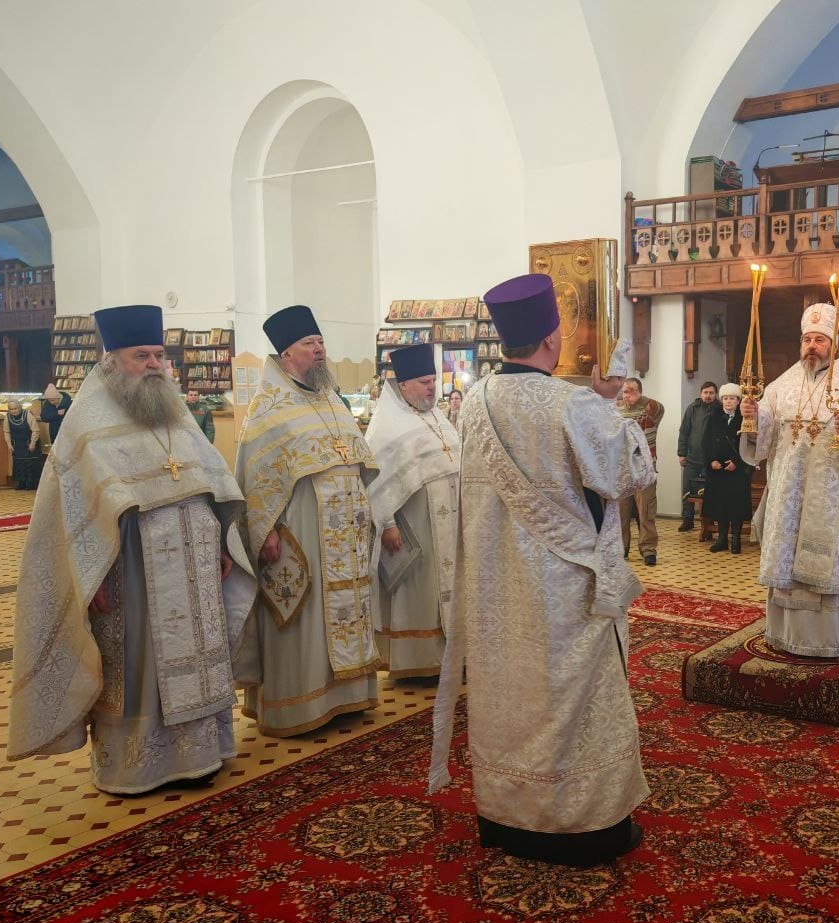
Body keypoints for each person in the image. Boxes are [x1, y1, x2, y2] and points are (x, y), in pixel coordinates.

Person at [429, 273, 654, 867]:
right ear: (553, 338)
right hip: (563, 588)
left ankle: (508, 818)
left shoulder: (474, 401)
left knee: (508, 695)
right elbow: (628, 474)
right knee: (570, 696)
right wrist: (614, 406)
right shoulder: (571, 403)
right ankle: (580, 824)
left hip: (495, 585)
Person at [8, 305, 258, 794]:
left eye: (158, 355)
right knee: (143, 665)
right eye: (141, 355)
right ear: (112, 360)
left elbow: (207, 482)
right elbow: (71, 512)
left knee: (200, 654)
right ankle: (139, 765)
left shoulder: (174, 411)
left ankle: (202, 752)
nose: (153, 365)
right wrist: (90, 575)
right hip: (132, 569)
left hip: (194, 561)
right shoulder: (87, 421)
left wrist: (219, 541)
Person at [235, 305, 379, 737]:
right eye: (308, 343)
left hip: (344, 533)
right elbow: (254, 476)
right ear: (286, 354)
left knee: (346, 611)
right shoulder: (267, 408)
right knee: (305, 616)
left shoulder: (331, 399)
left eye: (320, 342)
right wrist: (265, 530)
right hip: (301, 532)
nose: (319, 350)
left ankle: (348, 696)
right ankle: (300, 704)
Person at [739, 303, 839, 657]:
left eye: (820, 340)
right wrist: (752, 415)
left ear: (834, 344)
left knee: (826, 564)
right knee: (787, 561)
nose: (811, 346)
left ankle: (827, 641)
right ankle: (785, 635)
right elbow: (764, 431)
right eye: (807, 339)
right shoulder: (783, 384)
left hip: (832, 496)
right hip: (788, 493)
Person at [365, 343, 460, 680]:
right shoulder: (386, 426)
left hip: (451, 522)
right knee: (420, 589)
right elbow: (376, 482)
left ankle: (449, 656)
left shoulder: (438, 418)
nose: (431, 388)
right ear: (403, 385)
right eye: (423, 382)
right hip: (414, 525)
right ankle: (418, 660)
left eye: (433, 381)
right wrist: (387, 523)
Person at [617, 377, 664, 566]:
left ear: (640, 392)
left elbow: (659, 408)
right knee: (621, 513)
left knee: (646, 512)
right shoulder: (616, 409)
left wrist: (640, 399)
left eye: (632, 391)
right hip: (622, 469)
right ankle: (621, 549)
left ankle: (648, 550)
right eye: (625, 391)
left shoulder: (649, 408)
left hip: (644, 468)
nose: (627, 395)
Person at [702, 382, 752, 555]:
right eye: (725, 398)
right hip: (718, 470)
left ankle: (736, 540)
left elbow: (750, 444)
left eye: (732, 398)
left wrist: (737, 462)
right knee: (720, 505)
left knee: (736, 506)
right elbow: (706, 441)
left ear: (738, 401)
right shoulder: (713, 416)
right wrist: (711, 461)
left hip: (737, 470)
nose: (728, 401)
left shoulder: (745, 418)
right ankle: (722, 539)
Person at [677, 381, 717, 531]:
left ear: (715, 395)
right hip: (692, 458)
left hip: (711, 461)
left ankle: (709, 521)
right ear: (700, 394)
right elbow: (684, 432)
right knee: (688, 490)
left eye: (711, 393)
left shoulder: (719, 409)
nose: (708, 396)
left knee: (710, 492)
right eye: (705, 392)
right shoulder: (692, 408)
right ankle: (688, 519)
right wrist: (681, 454)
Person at [3, 398, 43, 490]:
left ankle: (31, 484)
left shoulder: (27, 414)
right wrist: (9, 444)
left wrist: (33, 443)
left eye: (15, 408)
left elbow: (35, 430)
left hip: (30, 442)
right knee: (19, 464)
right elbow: (6, 432)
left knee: (31, 463)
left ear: (20, 407)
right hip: (17, 444)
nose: (13, 411)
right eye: (11, 409)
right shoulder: (7, 417)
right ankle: (21, 483)